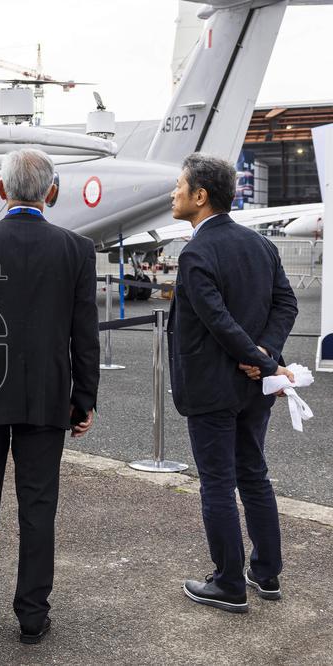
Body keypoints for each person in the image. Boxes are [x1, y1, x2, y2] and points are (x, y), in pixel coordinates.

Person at [0, 148, 100, 644]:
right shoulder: (76, 250)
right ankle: (32, 617)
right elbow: (84, 333)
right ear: (51, 192)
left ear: (1, 190)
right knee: (38, 510)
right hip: (48, 399)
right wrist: (84, 398)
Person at [168, 153, 298, 613]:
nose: (173, 194)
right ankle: (266, 574)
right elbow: (286, 304)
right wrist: (264, 355)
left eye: (180, 186)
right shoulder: (260, 245)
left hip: (211, 387)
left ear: (200, 196)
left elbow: (216, 320)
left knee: (218, 484)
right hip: (252, 390)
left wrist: (257, 360)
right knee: (254, 476)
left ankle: (228, 583)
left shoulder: (197, 252)